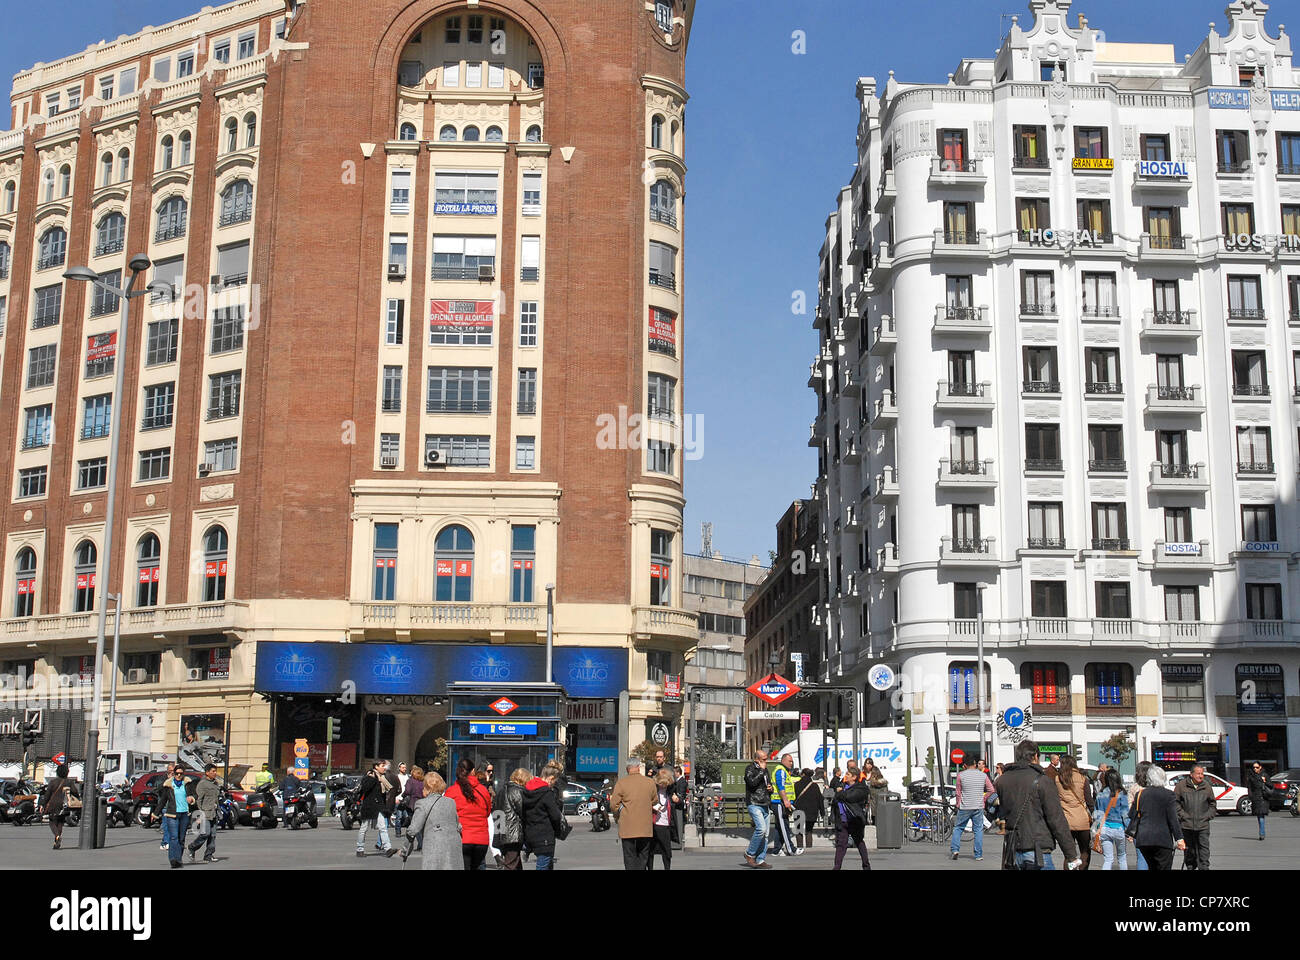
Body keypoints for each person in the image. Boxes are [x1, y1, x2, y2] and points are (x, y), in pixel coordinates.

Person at [994, 740, 1081, 870]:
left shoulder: (1002, 780)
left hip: (1013, 848)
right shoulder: (1042, 781)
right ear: (1035, 756)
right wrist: (1071, 854)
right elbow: (1056, 818)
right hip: (1037, 849)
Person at [400, 772, 462, 870]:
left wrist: (405, 851)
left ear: (427, 788)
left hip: (434, 846)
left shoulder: (422, 804)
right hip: (454, 846)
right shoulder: (451, 802)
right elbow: (458, 825)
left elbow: (413, 830)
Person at [609, 756, 657, 870]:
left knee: (629, 856)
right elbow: (655, 800)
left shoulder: (621, 783)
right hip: (645, 827)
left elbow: (613, 805)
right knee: (643, 855)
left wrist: (619, 813)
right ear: (639, 768)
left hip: (627, 826)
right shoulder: (649, 782)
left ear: (627, 769)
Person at [1134, 766, 1185, 870]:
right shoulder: (1169, 795)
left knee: (1152, 866)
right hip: (1162, 839)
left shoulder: (1140, 794)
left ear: (1148, 778)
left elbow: (1133, 815)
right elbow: (1172, 818)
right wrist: (1179, 839)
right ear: (1163, 778)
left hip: (1144, 839)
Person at [446, 757, 493, 870]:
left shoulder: (452, 791)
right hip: (481, 839)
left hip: (462, 838)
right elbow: (487, 812)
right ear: (472, 772)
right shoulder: (483, 790)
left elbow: (447, 814)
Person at [522, 761, 565, 870]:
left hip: (530, 833)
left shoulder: (527, 790)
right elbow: (555, 815)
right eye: (554, 781)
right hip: (545, 835)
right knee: (543, 866)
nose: (554, 784)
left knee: (546, 865)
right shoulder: (546, 793)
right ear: (551, 778)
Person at [951, 757, 995, 862]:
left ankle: (955, 850)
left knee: (958, 828)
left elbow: (958, 792)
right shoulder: (983, 775)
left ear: (965, 765)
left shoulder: (961, 775)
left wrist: (958, 804)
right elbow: (991, 789)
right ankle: (978, 854)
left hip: (965, 806)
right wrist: (984, 798)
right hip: (978, 806)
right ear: (975, 764)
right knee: (978, 829)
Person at [1172, 763, 1215, 870]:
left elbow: (1212, 804)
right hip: (1187, 825)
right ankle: (1190, 866)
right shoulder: (1181, 786)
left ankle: (1204, 867)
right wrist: (1182, 815)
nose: (1200, 776)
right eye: (1198, 774)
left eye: (1202, 774)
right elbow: (1175, 803)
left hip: (1203, 825)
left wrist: (1208, 816)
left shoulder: (1207, 787)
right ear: (1191, 774)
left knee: (1204, 850)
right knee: (1189, 851)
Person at [355, 760, 400, 858]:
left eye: (384, 766)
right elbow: (365, 788)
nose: (384, 768)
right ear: (376, 767)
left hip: (378, 806)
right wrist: (374, 779)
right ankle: (360, 849)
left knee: (383, 827)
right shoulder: (370, 775)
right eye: (382, 766)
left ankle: (388, 849)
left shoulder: (382, 778)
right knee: (364, 828)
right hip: (369, 806)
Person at [1054, 755, 1093, 870]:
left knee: (1069, 854)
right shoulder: (1082, 778)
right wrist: (1095, 815)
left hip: (1066, 821)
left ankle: (1071, 868)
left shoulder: (1057, 779)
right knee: (1085, 851)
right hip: (1082, 821)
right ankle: (1082, 868)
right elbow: (1089, 801)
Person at [830, 768, 870, 870]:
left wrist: (839, 793)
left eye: (848, 774)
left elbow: (850, 797)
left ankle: (866, 865)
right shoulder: (843, 786)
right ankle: (836, 867)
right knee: (841, 845)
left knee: (859, 842)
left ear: (854, 777)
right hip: (842, 820)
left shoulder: (861, 788)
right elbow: (835, 800)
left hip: (854, 820)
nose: (845, 776)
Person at [158, 765, 196, 869]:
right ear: (174, 774)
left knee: (181, 839)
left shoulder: (187, 783)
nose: (179, 775)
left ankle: (178, 859)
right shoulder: (168, 784)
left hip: (184, 814)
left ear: (184, 774)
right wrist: (155, 813)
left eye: (181, 773)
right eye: (177, 773)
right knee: (173, 837)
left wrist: (191, 799)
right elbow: (163, 800)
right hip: (172, 814)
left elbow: (193, 795)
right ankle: (173, 860)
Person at [1093, 768, 1130, 871]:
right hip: (1118, 828)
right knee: (1122, 857)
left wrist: (1096, 829)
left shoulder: (1100, 794)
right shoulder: (1121, 793)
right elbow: (1125, 814)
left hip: (1104, 828)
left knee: (1108, 859)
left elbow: (1097, 814)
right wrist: (1129, 830)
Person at [742, 750, 772, 868]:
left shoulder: (765, 771)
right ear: (757, 760)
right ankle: (749, 853)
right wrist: (761, 770)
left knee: (766, 834)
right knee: (761, 829)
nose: (766, 761)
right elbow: (752, 783)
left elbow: (768, 784)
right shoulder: (750, 769)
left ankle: (760, 859)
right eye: (763, 759)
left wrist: (771, 788)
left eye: (766, 759)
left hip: (765, 803)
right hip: (754, 802)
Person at [38, 763, 77, 851]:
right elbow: (75, 792)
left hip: (53, 805)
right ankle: (57, 839)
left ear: (57, 772)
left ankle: (57, 836)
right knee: (60, 822)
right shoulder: (69, 782)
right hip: (64, 805)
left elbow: (47, 795)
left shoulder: (53, 782)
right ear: (67, 772)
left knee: (52, 821)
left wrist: (43, 805)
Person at [186, 764, 221, 863]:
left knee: (212, 835)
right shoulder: (202, 784)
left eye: (215, 771)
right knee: (205, 833)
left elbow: (216, 798)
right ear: (207, 772)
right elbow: (199, 800)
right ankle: (192, 847)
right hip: (205, 812)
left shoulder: (215, 783)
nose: (215, 773)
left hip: (214, 813)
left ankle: (208, 855)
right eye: (213, 771)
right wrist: (200, 813)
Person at [496, 768, 528, 870]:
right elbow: (523, 811)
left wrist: (498, 833)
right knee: (511, 864)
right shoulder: (517, 791)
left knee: (514, 862)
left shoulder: (502, 790)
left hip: (503, 832)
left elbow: (496, 812)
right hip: (513, 833)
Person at [768, 753, 799, 857]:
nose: (791, 763)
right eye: (790, 761)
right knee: (784, 827)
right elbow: (781, 787)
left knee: (779, 826)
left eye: (792, 761)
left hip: (780, 803)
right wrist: (786, 800)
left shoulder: (784, 771)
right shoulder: (781, 771)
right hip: (779, 803)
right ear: (783, 760)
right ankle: (791, 849)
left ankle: (776, 850)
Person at [648, 769, 675, 870]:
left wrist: (677, 800)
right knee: (650, 851)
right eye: (661, 783)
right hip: (654, 823)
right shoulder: (653, 790)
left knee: (666, 852)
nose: (663, 786)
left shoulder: (671, 791)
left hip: (665, 825)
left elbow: (679, 802)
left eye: (665, 783)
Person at [1128, 760, 1152, 870]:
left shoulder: (1134, 788)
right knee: (1155, 857)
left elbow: (1129, 810)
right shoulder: (1155, 787)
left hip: (1138, 826)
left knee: (1141, 856)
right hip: (1154, 825)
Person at [793, 767, 823, 849]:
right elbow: (820, 799)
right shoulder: (815, 786)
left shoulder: (797, 785)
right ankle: (809, 849)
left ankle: (800, 847)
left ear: (802, 774)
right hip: (812, 811)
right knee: (809, 831)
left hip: (799, 810)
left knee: (798, 830)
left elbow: (793, 798)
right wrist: (822, 812)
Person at [1244, 761, 1270, 841]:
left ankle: (1262, 834)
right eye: (1254, 767)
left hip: (1263, 798)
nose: (1255, 769)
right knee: (1259, 817)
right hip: (1256, 799)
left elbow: (1271, 785)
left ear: (1260, 767)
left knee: (1261, 817)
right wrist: (1251, 797)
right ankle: (1262, 832)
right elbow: (1250, 788)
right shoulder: (1251, 776)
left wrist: (1265, 781)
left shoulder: (1265, 775)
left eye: (1257, 767)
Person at [400, 766, 426, 848]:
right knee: (421, 823)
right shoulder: (423, 782)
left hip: (412, 804)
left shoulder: (410, 781)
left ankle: (418, 843)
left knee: (414, 823)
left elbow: (407, 791)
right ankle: (422, 842)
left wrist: (402, 796)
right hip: (422, 803)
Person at [862, 759, 888, 825]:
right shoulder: (863, 773)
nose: (868, 765)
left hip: (873, 798)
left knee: (875, 814)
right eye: (867, 763)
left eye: (869, 764)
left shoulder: (875, 774)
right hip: (867, 797)